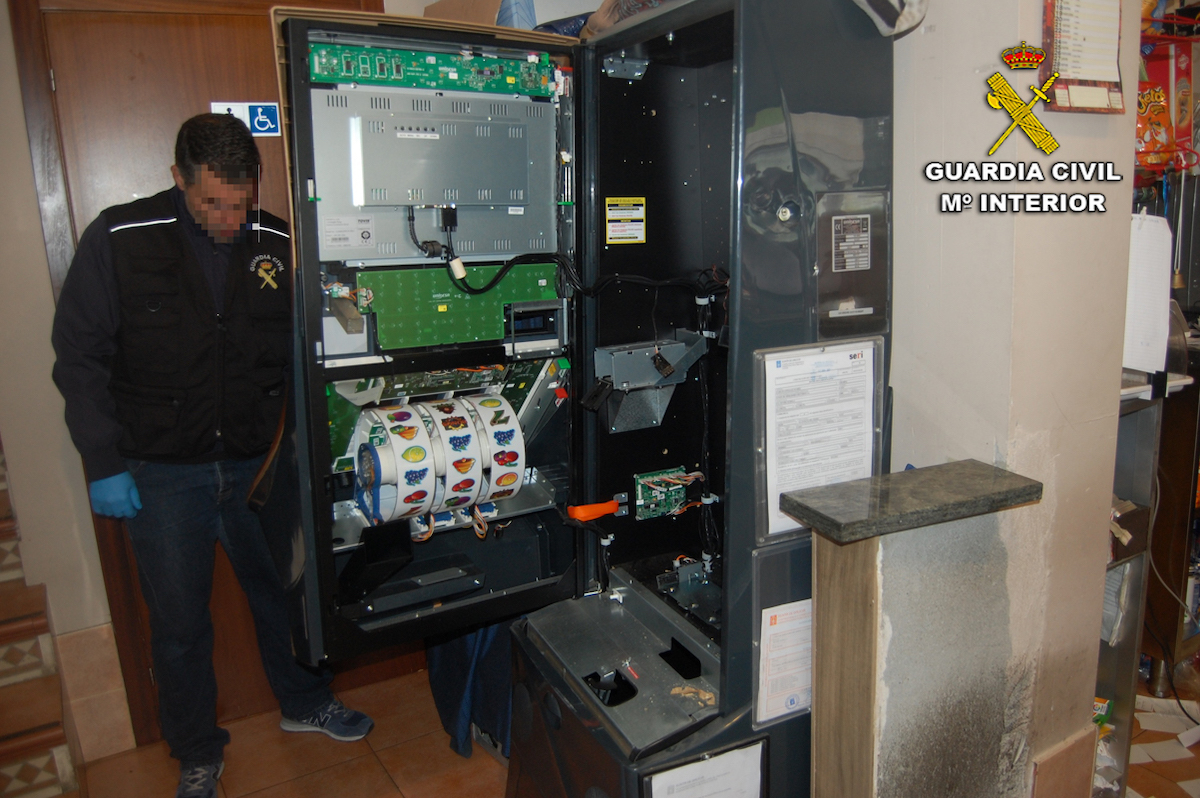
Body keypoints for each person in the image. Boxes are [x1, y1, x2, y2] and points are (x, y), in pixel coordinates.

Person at [51, 114, 373, 798]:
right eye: (212, 203)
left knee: (288, 597)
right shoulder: (120, 237)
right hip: (162, 474)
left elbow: (315, 349)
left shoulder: (279, 240)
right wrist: (102, 460)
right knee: (179, 626)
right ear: (178, 178)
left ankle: (305, 701)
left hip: (259, 466)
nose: (230, 219)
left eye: (240, 202)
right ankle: (197, 750)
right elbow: (78, 357)